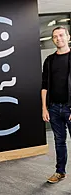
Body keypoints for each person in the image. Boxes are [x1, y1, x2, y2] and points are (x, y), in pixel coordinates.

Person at [42, 26, 71, 184]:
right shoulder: (49, 61)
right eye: (55, 36)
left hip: (70, 108)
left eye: (61, 35)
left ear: (68, 36)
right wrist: (44, 108)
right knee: (59, 141)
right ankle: (60, 172)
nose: (58, 38)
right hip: (53, 108)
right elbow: (44, 85)